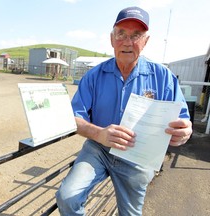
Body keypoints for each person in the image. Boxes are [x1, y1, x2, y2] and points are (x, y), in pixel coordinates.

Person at [56, 6, 193, 216]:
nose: (127, 42)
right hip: (98, 149)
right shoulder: (94, 76)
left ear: (145, 41)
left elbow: (182, 119)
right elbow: (73, 118)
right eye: (121, 34)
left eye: (136, 35)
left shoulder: (163, 77)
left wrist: (185, 131)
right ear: (112, 39)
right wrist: (99, 134)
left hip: (138, 154)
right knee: (67, 197)